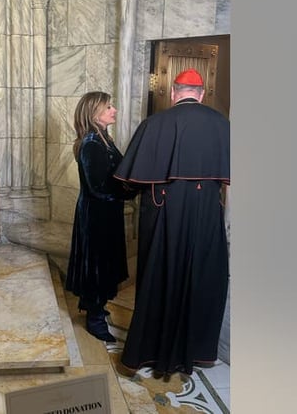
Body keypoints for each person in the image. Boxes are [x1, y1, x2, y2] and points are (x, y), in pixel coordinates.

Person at [114, 68, 230, 376]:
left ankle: (149, 353)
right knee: (201, 277)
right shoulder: (222, 124)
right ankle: (194, 352)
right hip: (206, 214)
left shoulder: (154, 123)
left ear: (175, 93)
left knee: (158, 276)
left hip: (164, 211)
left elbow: (129, 181)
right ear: (201, 94)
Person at [65, 91, 137, 343]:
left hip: (106, 212)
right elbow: (99, 187)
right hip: (96, 216)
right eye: (109, 107)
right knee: (97, 266)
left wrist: (129, 186)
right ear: (94, 113)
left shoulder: (102, 139)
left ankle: (95, 305)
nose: (114, 109)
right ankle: (94, 318)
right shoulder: (92, 144)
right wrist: (128, 190)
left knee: (104, 264)